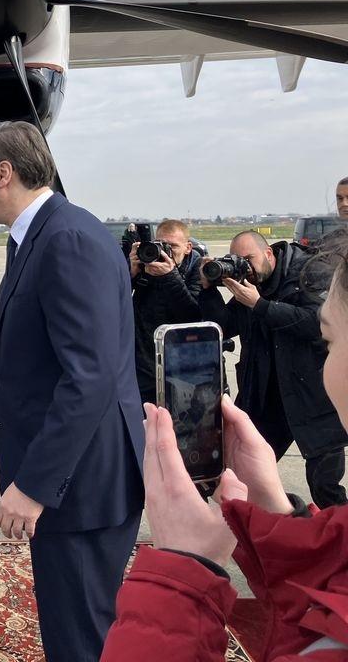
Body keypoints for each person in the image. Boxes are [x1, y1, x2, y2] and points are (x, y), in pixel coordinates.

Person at [0, 122, 145, 662]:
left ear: (4, 173)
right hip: (78, 476)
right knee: (74, 624)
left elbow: (88, 377)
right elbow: (31, 358)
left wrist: (35, 487)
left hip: (83, 483)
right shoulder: (35, 236)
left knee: (80, 638)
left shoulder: (66, 239)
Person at [102, 233, 348, 660]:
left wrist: (181, 569)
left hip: (303, 404)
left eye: (331, 342)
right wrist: (278, 511)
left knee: (325, 481)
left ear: (270, 253)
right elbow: (321, 601)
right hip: (264, 399)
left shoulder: (304, 281)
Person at [198, 230, 348, 507]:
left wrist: (260, 305)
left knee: (325, 487)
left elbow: (317, 324)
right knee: (244, 477)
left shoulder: (307, 273)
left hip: (311, 399)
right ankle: (261, 537)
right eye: (237, 260)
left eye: (248, 258)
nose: (244, 266)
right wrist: (208, 291)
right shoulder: (253, 283)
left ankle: (339, 543)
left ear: (268, 254)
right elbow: (224, 326)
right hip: (267, 399)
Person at [129, 218, 203, 403]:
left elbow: (192, 314)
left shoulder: (197, 268)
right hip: (143, 365)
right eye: (161, 245)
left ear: (188, 248)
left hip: (183, 369)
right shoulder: (144, 264)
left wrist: (170, 276)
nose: (164, 252)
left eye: (172, 247)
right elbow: (114, 302)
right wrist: (129, 273)